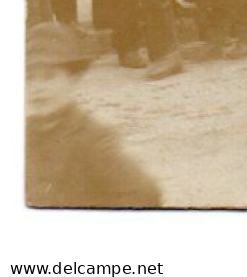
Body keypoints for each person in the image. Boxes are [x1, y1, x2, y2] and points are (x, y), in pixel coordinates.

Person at [26, 23, 163, 208]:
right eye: (28, 78)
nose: (38, 88)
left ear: (72, 79)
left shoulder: (92, 138)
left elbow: (144, 194)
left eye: (49, 77)